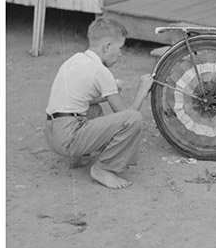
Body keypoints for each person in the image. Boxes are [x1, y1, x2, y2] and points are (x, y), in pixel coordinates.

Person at [44, 17, 154, 189]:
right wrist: (142, 91)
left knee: (93, 108)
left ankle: (77, 158)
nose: (120, 53)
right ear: (107, 46)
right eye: (119, 48)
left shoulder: (74, 60)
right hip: (68, 139)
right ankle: (103, 168)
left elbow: (74, 99)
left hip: (52, 133)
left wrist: (104, 97)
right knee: (133, 119)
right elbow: (126, 115)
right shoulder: (101, 72)